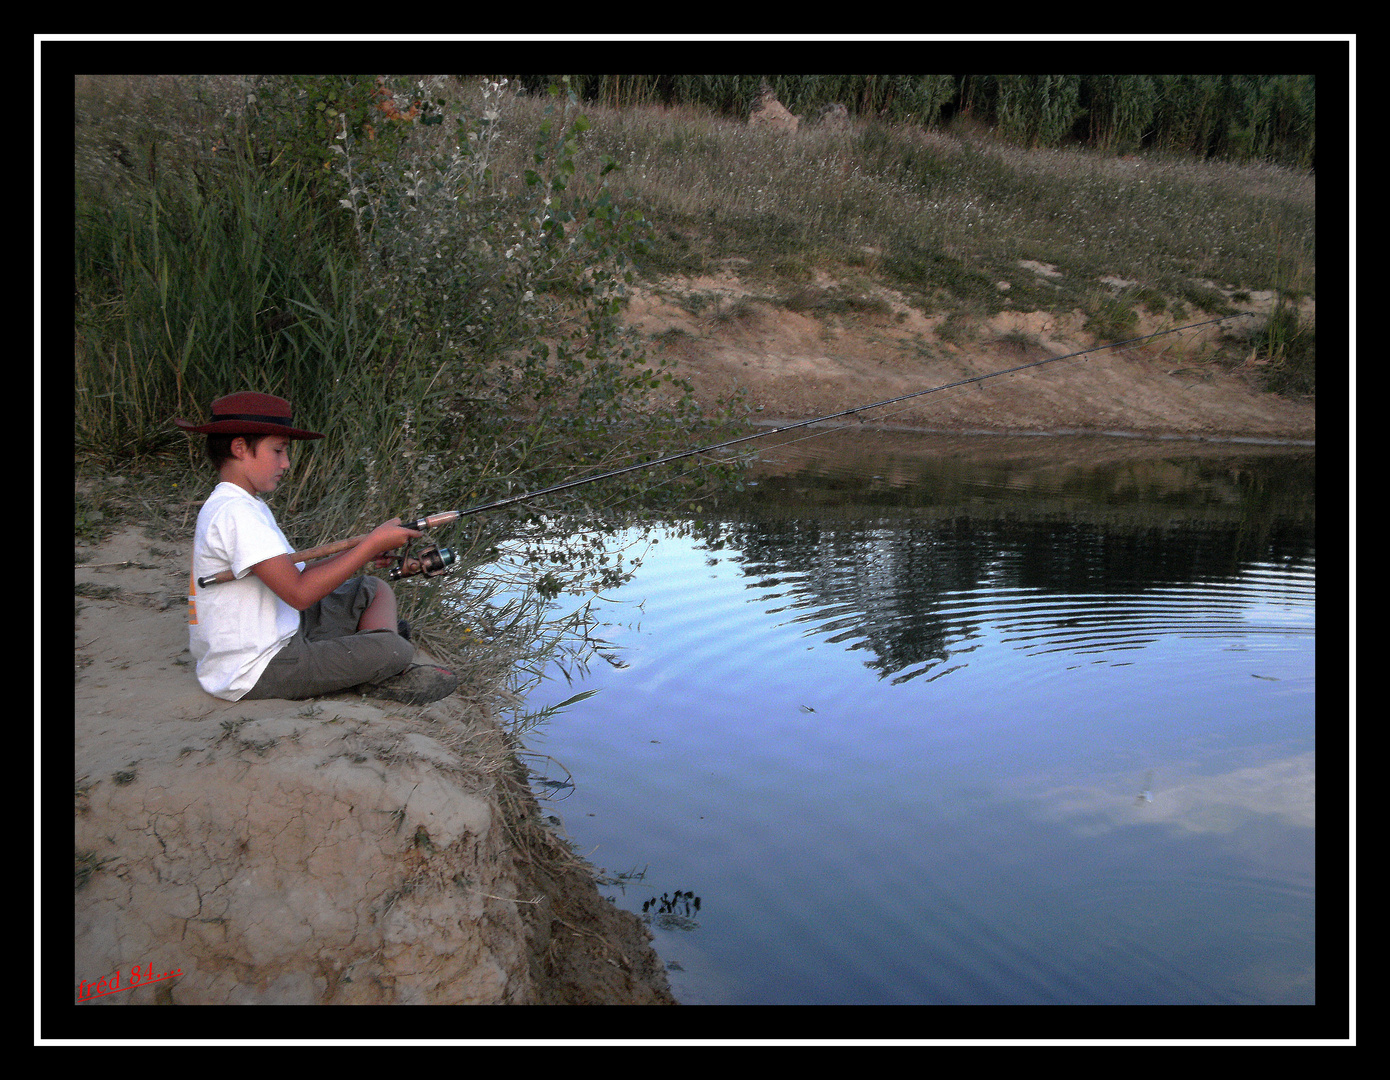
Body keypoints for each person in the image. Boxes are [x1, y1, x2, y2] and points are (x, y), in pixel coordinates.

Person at [175, 391, 457, 705]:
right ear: (240, 448)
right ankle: (378, 669)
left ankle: (371, 658)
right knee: (395, 649)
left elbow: (296, 572)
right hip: (255, 667)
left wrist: (358, 552)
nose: (286, 462)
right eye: (278, 450)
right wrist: (371, 544)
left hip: (278, 627)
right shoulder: (236, 514)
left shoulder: (242, 503)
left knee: (373, 590)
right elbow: (299, 593)